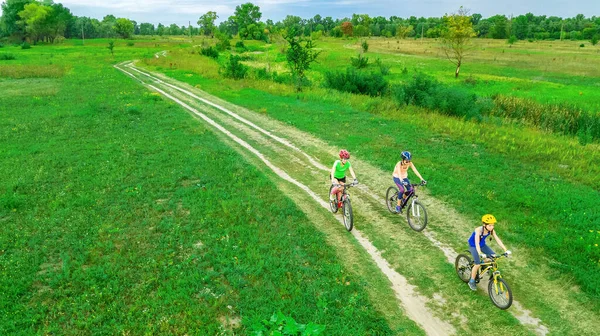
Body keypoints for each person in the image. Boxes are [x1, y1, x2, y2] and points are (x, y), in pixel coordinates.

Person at [467, 214, 512, 290]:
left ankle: (483, 264)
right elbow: (477, 243)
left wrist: (505, 249)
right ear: (484, 225)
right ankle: (471, 281)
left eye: (493, 225)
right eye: (490, 225)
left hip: (482, 245)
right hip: (473, 245)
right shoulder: (478, 230)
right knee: (477, 264)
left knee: (493, 256)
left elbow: (498, 240)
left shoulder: (491, 231)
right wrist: (480, 253)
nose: (492, 227)